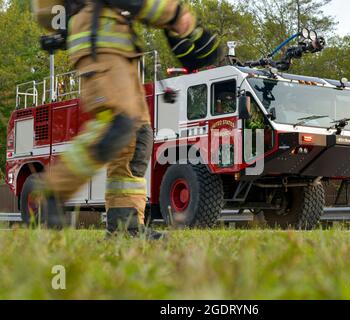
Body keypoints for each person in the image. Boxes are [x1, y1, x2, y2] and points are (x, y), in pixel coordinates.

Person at [32, 0, 221, 239]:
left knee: (136, 137)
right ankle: (54, 190)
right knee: (117, 125)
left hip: (120, 53)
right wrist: (174, 15)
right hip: (101, 47)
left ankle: (126, 227)